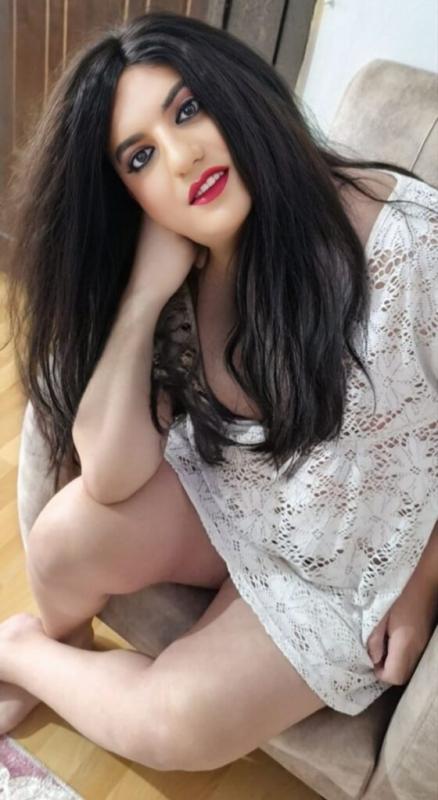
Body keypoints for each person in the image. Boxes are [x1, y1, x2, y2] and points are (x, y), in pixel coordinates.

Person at [1, 10, 437, 772]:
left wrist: (426, 575)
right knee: (64, 538)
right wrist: (145, 295)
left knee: (178, 727)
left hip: (352, 562)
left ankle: (22, 655)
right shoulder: (178, 265)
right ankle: (64, 650)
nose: (181, 157)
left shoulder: (405, 241)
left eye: (189, 109)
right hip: (240, 498)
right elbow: (111, 475)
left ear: (237, 94)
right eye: (140, 157)